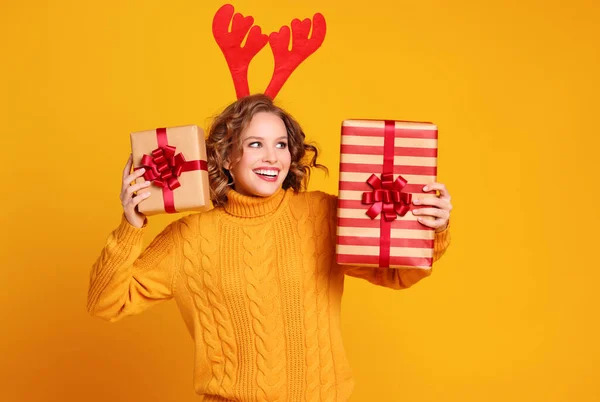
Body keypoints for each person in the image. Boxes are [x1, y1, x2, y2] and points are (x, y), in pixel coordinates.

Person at [87, 94, 452, 401]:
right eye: (255, 144)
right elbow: (106, 301)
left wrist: (430, 227)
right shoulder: (190, 238)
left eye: (280, 145)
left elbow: (398, 275)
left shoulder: (321, 214)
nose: (272, 158)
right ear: (227, 157)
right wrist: (132, 223)